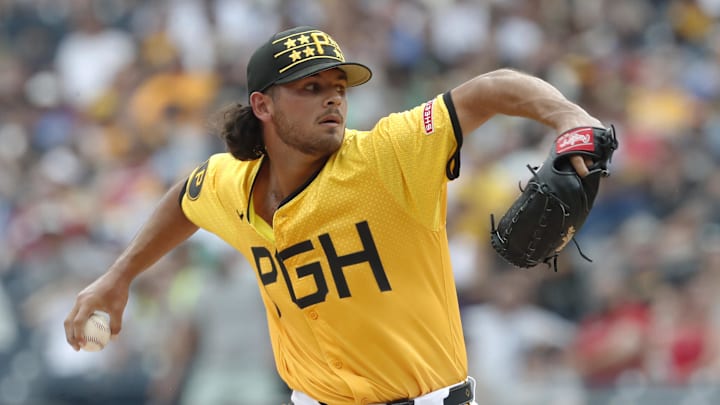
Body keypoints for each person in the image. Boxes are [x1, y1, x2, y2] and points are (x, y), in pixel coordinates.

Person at [64, 25, 602, 405]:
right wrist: (119, 276)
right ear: (263, 106)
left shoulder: (389, 155)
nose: (334, 100)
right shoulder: (233, 183)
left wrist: (570, 117)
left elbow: (489, 90)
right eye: (311, 87)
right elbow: (187, 196)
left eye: (339, 87)